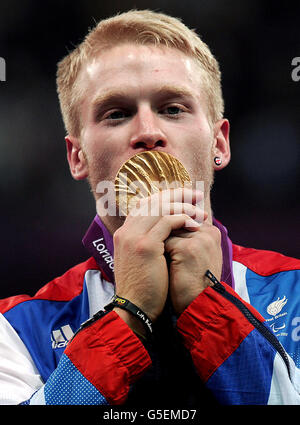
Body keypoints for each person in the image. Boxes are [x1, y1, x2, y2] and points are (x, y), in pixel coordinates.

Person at [0, 9, 299, 406]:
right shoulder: (15, 330)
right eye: (117, 114)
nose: (148, 133)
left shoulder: (294, 292)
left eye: (173, 109)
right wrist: (128, 316)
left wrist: (209, 306)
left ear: (219, 144)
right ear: (77, 157)